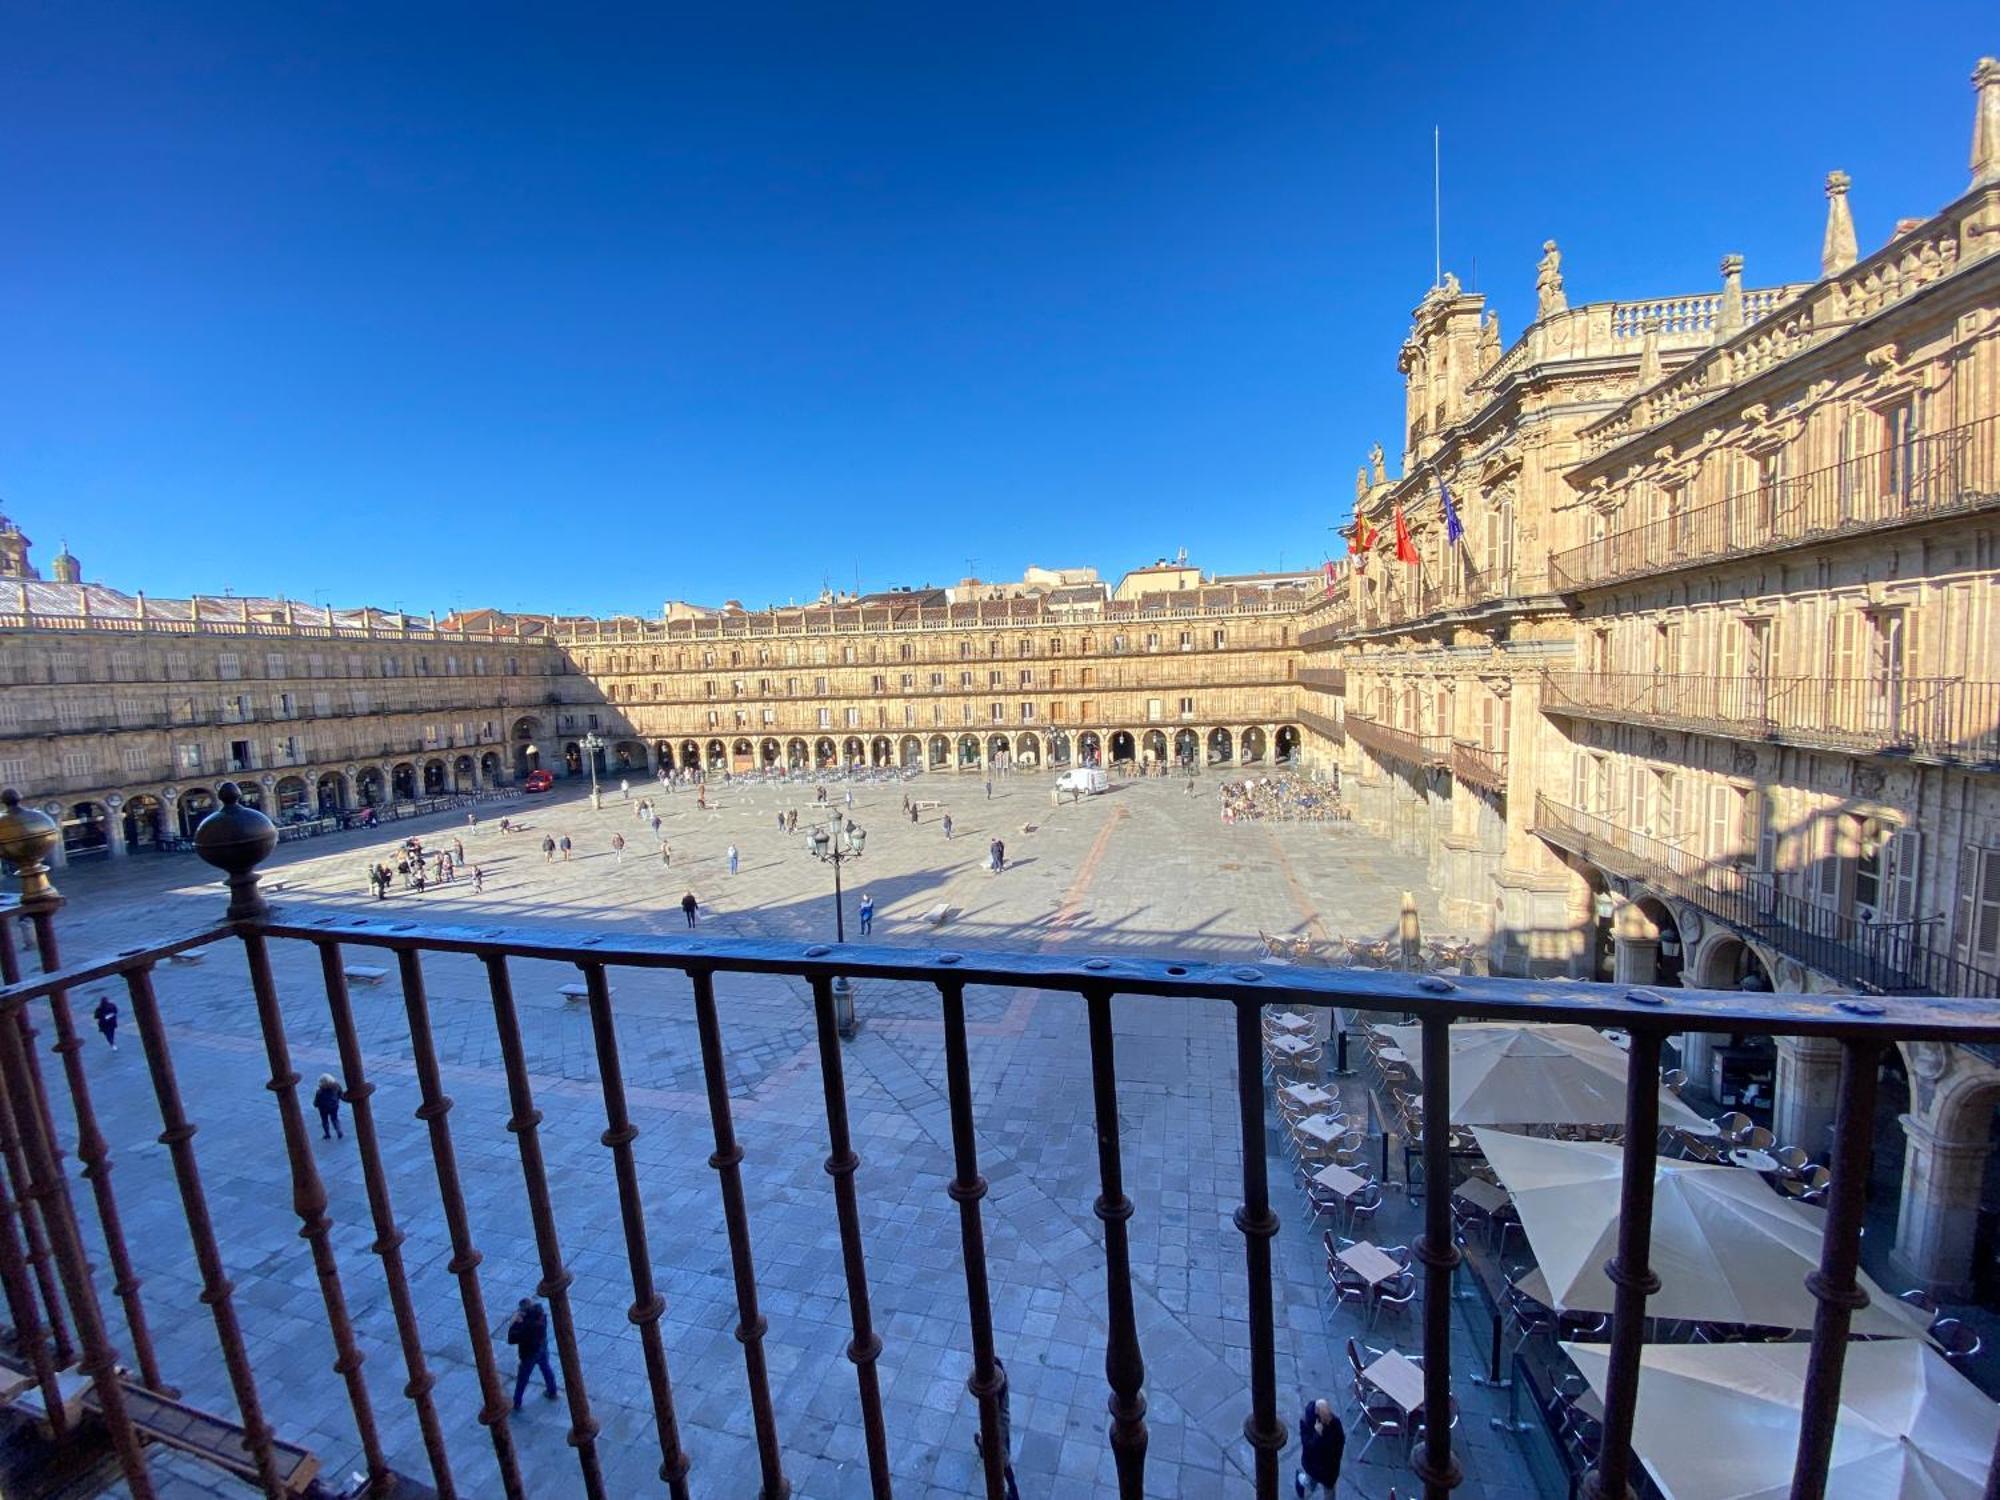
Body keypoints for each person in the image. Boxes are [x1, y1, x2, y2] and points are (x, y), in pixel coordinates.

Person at [971, 1356, 1020, 1500]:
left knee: (1003, 1457)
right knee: (1000, 1448)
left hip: (999, 1424)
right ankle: (981, 1444)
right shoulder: (1002, 1381)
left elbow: (995, 1413)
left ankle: (1013, 1492)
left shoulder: (997, 1390)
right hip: (999, 1421)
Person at [505, 1297, 558, 1411]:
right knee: (546, 1368)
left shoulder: (527, 1326)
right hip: (542, 1348)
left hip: (529, 1354)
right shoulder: (541, 1316)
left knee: (522, 1378)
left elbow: (511, 1339)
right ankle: (552, 1390)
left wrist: (514, 1324)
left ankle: (517, 1402)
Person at [1295, 1397, 1345, 1497]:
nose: (1329, 1418)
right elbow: (1308, 1445)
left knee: (1330, 1493)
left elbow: (1341, 1438)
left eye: (1329, 1414)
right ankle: (1299, 1478)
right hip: (1313, 1466)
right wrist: (1317, 1435)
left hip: (1330, 1469)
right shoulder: (1306, 1422)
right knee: (1309, 1484)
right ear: (1318, 1414)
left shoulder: (1333, 1421)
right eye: (1326, 1416)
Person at [313, 1073, 343, 1139]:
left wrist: (315, 1104)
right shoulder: (337, 1086)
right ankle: (339, 1131)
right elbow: (341, 1095)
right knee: (335, 1119)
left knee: (325, 1121)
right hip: (334, 1106)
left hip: (323, 1109)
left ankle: (327, 1134)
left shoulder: (319, 1092)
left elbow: (316, 1103)